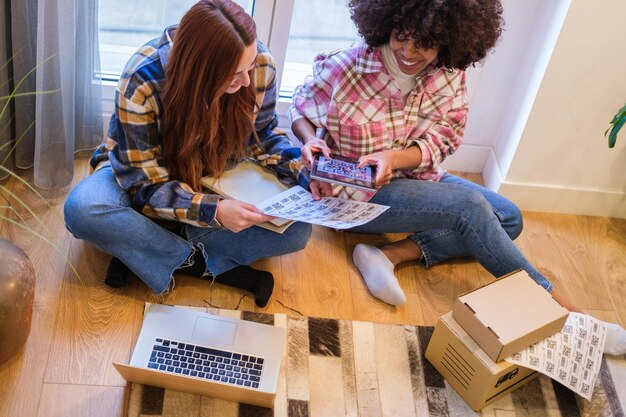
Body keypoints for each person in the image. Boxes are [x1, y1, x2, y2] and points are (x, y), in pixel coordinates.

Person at [288, 0, 626, 355]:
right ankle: (563, 313)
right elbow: (300, 107)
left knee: (507, 217)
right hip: (357, 196)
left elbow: (445, 136)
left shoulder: (448, 74)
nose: (408, 52)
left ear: (448, 40)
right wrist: (311, 140)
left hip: (417, 178)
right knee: (469, 209)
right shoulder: (348, 67)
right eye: (401, 37)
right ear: (386, 21)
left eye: (425, 44)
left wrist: (395, 157)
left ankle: (390, 255)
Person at [63, 0, 312, 308]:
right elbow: (143, 185)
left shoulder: (259, 64)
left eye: (249, 68)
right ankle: (206, 266)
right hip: (140, 175)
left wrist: (306, 171)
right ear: (200, 70)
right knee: (84, 209)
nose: (247, 80)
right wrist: (215, 212)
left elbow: (262, 135)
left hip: (216, 177)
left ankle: (139, 252)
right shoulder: (141, 78)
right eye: (235, 74)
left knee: (298, 232)